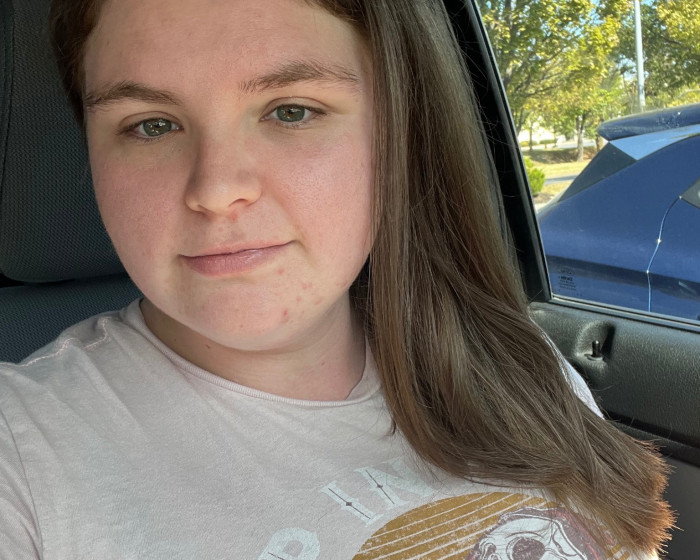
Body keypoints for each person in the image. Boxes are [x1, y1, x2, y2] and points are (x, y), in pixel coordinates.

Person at [0, 0, 672, 558]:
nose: (216, 189)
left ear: (398, 131)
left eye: (290, 110)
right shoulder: (23, 453)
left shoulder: (510, 358)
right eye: (151, 125)